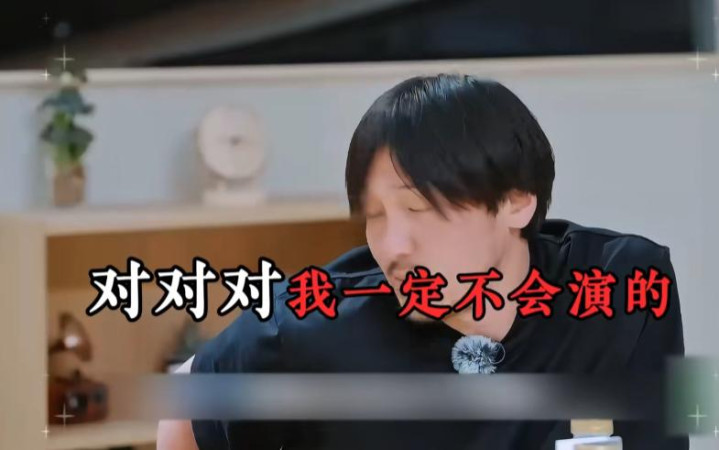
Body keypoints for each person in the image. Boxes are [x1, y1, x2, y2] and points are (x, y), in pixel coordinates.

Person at [157, 74, 687, 449]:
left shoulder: (621, 286)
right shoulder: (314, 325)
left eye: (419, 209)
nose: (393, 245)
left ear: (516, 201)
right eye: (374, 216)